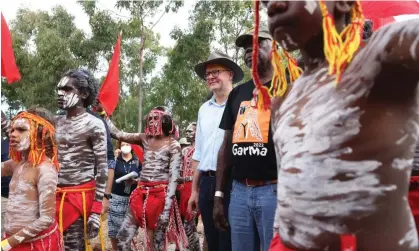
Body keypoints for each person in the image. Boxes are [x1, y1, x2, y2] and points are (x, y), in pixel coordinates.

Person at [261, 1, 419, 250]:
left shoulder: (383, 58)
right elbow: (287, 192)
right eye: (266, 2)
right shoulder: (284, 100)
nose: (273, 6)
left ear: (344, 2)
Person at [214, 26, 277, 251]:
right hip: (239, 192)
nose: (250, 52)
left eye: (258, 46)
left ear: (275, 49)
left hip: (274, 191)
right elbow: (226, 146)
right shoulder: (237, 94)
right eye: (246, 49)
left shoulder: (287, 87)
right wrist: (219, 194)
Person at [100, 106, 185, 251]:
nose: (152, 122)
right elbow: (118, 134)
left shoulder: (174, 146)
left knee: (155, 246)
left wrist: (166, 211)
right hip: (140, 195)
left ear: (166, 121)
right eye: (150, 119)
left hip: (160, 198)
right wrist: (103, 113)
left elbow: (174, 179)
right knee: (122, 238)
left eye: (156, 119)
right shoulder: (144, 138)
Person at [188, 51, 244, 251]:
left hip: (232, 183)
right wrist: (194, 190)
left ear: (230, 74)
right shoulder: (204, 109)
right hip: (207, 182)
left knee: (229, 240)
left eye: (215, 71)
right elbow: (199, 153)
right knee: (211, 239)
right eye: (207, 73)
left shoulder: (242, 104)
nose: (210, 76)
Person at [54, 69, 108, 250]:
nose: (60, 94)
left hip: (78, 198)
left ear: (84, 94)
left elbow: (102, 169)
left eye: (67, 89)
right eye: (59, 89)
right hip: (52, 197)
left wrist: (96, 211)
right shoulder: (54, 122)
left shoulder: (94, 124)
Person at [1, 107, 63, 251]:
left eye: (21, 130)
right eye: (12, 130)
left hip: (35, 245)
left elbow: (46, 219)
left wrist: (7, 243)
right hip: (13, 241)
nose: (13, 134)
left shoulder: (45, 169)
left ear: (42, 133)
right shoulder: (17, 163)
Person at [102, 141, 141, 251]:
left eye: (128, 144)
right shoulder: (115, 160)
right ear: (119, 146)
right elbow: (107, 174)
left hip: (131, 200)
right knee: (114, 230)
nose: (125, 146)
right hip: (116, 199)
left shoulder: (137, 160)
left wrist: (135, 181)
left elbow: (143, 176)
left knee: (127, 231)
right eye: (123, 144)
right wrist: (113, 158)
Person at [176, 122, 200, 251]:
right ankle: (182, 245)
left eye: (192, 130)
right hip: (183, 188)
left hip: (196, 187)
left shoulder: (203, 148)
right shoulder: (184, 150)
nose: (189, 133)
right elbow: (179, 168)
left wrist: (188, 178)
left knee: (191, 220)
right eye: (188, 131)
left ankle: (194, 247)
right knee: (182, 218)